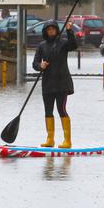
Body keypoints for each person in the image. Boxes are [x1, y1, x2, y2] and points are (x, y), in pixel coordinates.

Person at [32, 20, 77, 148]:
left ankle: (67, 140)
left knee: (61, 110)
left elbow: (73, 46)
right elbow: (35, 64)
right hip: (47, 84)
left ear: (57, 30)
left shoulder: (62, 43)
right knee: (48, 111)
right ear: (46, 32)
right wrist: (40, 65)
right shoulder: (41, 46)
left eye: (53, 29)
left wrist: (69, 30)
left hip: (62, 83)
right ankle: (50, 139)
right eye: (48, 29)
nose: (51, 31)